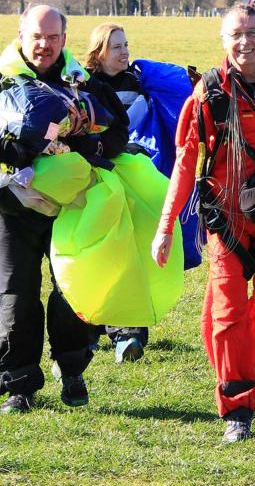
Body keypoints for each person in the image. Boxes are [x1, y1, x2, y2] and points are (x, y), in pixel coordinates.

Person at [0, 4, 129, 414]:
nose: (44, 45)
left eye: (52, 37)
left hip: (72, 206)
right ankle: (19, 383)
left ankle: (72, 368)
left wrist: (89, 144)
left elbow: (119, 130)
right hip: (12, 205)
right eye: (36, 36)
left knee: (72, 287)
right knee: (17, 293)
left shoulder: (85, 84)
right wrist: (6, 149)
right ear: (21, 36)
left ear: (64, 39)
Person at [151, 4, 255, 443]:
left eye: (253, 32)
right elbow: (185, 162)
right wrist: (166, 226)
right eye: (236, 34)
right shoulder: (208, 94)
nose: (245, 42)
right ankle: (237, 408)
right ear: (223, 40)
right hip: (226, 221)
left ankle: (251, 375)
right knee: (227, 315)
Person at [82, 21, 153, 364]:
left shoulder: (137, 83)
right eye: (117, 47)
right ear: (99, 52)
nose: (125, 52)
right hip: (90, 175)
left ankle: (129, 333)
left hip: (129, 173)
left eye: (126, 45)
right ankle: (88, 329)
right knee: (95, 250)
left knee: (128, 248)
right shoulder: (80, 84)